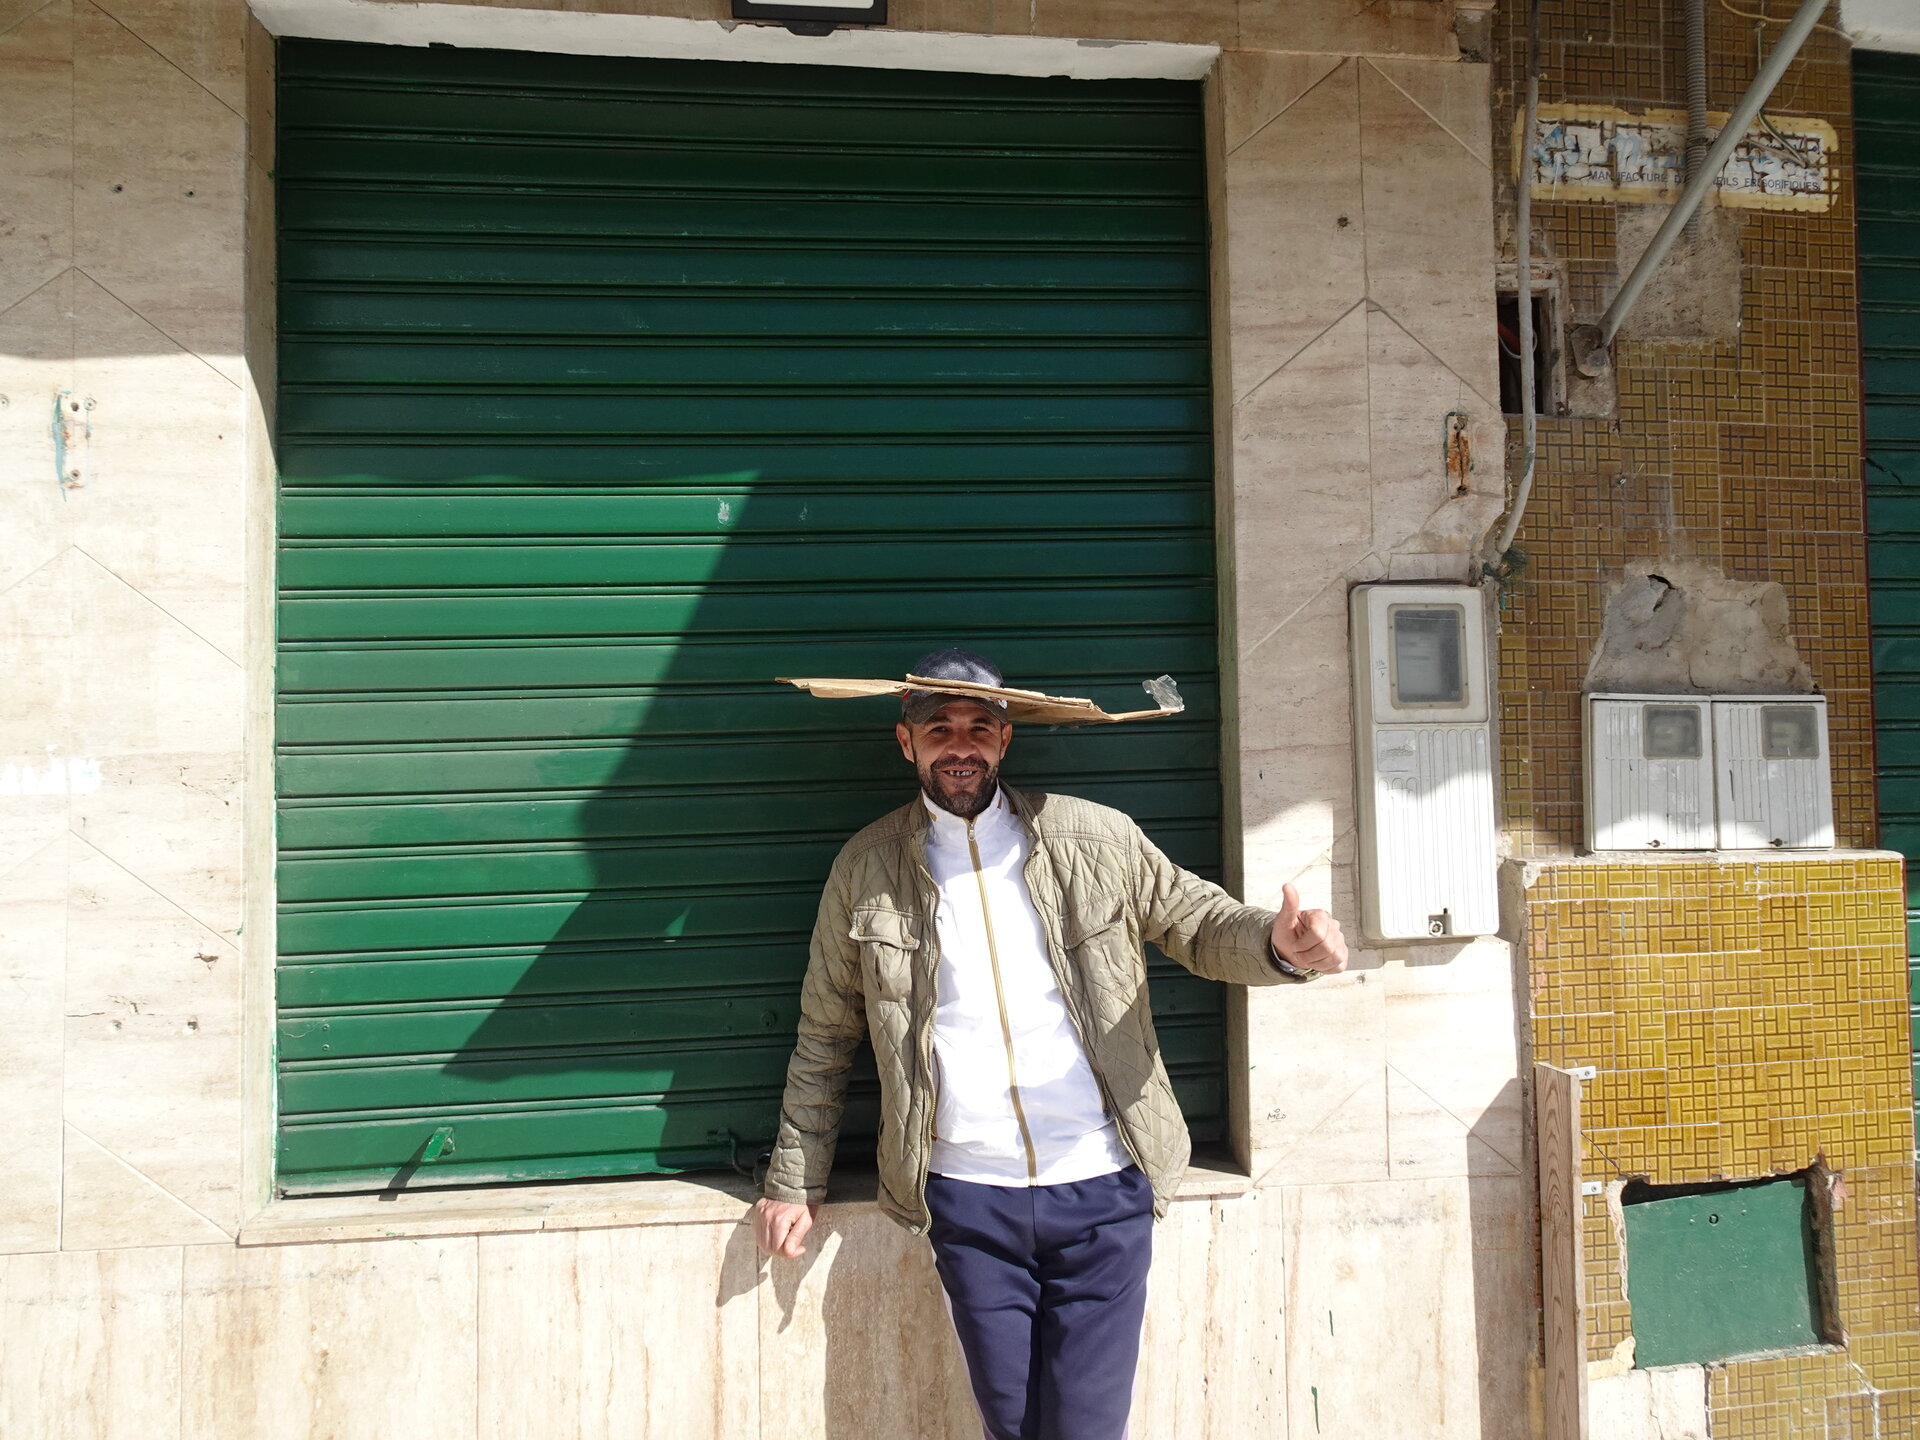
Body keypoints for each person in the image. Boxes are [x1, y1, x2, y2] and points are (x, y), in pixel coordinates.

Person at [753, 648, 1347, 1440]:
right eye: (939, 728)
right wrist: (795, 1179)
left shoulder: (1095, 838)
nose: (959, 744)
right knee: (1011, 1421)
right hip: (968, 1198)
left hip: (1101, 1190)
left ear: (1006, 739)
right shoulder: (866, 869)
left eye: (979, 726)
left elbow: (1201, 925)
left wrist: (1279, 947)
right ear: (907, 742)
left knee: (1085, 1428)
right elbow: (827, 1034)